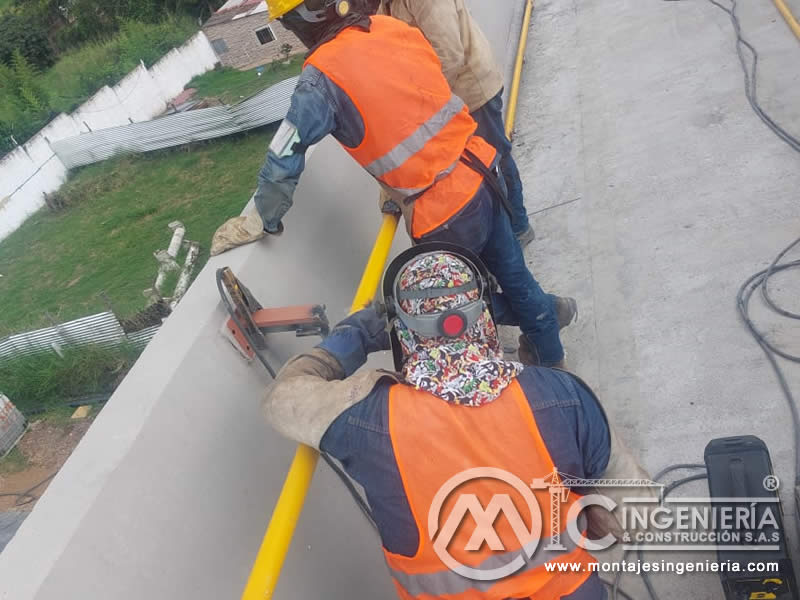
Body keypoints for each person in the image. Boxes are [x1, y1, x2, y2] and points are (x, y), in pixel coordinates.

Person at [263, 245, 652, 600]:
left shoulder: (364, 421)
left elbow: (284, 400)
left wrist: (356, 337)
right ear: (482, 317)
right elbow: (637, 514)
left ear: (402, 331)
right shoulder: (561, 394)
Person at [213, 0, 573, 367]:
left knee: (454, 312)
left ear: (297, 23)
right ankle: (551, 352)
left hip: (443, 216)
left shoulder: (318, 81)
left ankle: (513, 364)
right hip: (481, 175)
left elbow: (284, 154)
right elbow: (421, 98)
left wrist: (261, 218)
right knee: (515, 278)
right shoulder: (389, 28)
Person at [374, 0, 534, 246]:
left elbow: (449, 56)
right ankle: (504, 236)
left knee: (494, 160)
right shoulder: (388, 4)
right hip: (449, 99)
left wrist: (423, 109)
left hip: (472, 92)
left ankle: (518, 227)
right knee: (478, 169)